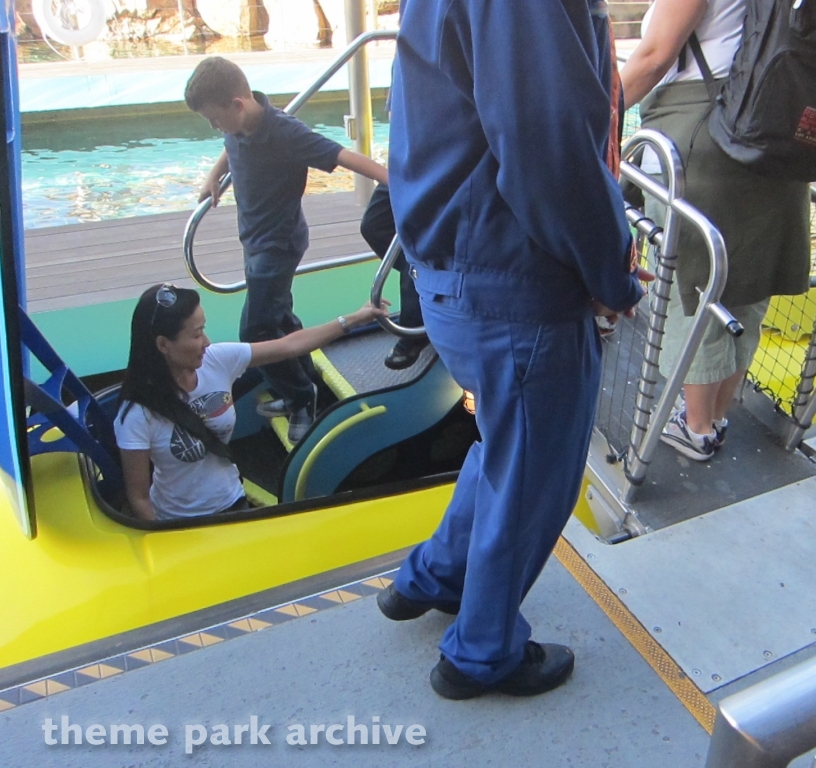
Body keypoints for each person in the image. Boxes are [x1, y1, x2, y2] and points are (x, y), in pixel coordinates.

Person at [377, 0, 647, 699]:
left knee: (508, 448)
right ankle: (481, 654)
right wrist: (610, 271)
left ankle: (433, 576)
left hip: (454, 269)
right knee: (536, 472)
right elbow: (550, 143)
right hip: (513, 279)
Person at [619, 0, 811, 461]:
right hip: (777, 134)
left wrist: (587, 122)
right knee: (744, 288)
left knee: (695, 292)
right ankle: (714, 419)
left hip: (706, 139)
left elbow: (654, 56)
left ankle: (696, 426)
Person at [184, 56, 389, 442]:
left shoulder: (285, 133)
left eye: (215, 119)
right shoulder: (240, 124)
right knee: (279, 317)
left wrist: (392, 180)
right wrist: (214, 175)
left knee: (256, 329)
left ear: (237, 105)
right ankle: (305, 378)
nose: (215, 128)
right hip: (255, 241)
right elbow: (230, 145)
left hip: (278, 246)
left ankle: (300, 397)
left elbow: (342, 156)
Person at [115, 283, 388, 522]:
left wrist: (353, 319)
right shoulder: (136, 414)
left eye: (204, 330)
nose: (206, 342)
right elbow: (138, 497)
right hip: (181, 523)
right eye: (197, 335)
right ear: (163, 345)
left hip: (234, 502)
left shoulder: (216, 361)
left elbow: (289, 346)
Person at [359, 183, 430, 369]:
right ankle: (427, 279)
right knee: (373, 225)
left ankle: (414, 329)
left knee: (416, 239)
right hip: (408, 159)